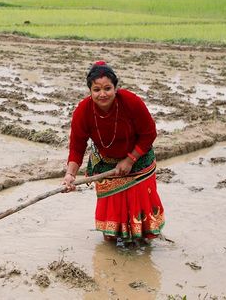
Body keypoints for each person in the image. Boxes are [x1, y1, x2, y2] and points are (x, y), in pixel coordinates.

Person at [62, 61, 165, 244]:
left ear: (116, 88)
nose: (102, 94)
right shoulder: (83, 112)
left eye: (107, 88)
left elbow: (149, 133)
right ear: (90, 91)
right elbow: (77, 146)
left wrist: (130, 159)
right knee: (110, 227)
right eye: (96, 89)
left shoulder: (130, 102)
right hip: (106, 162)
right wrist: (70, 174)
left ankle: (142, 243)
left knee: (140, 218)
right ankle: (112, 242)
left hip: (138, 160)